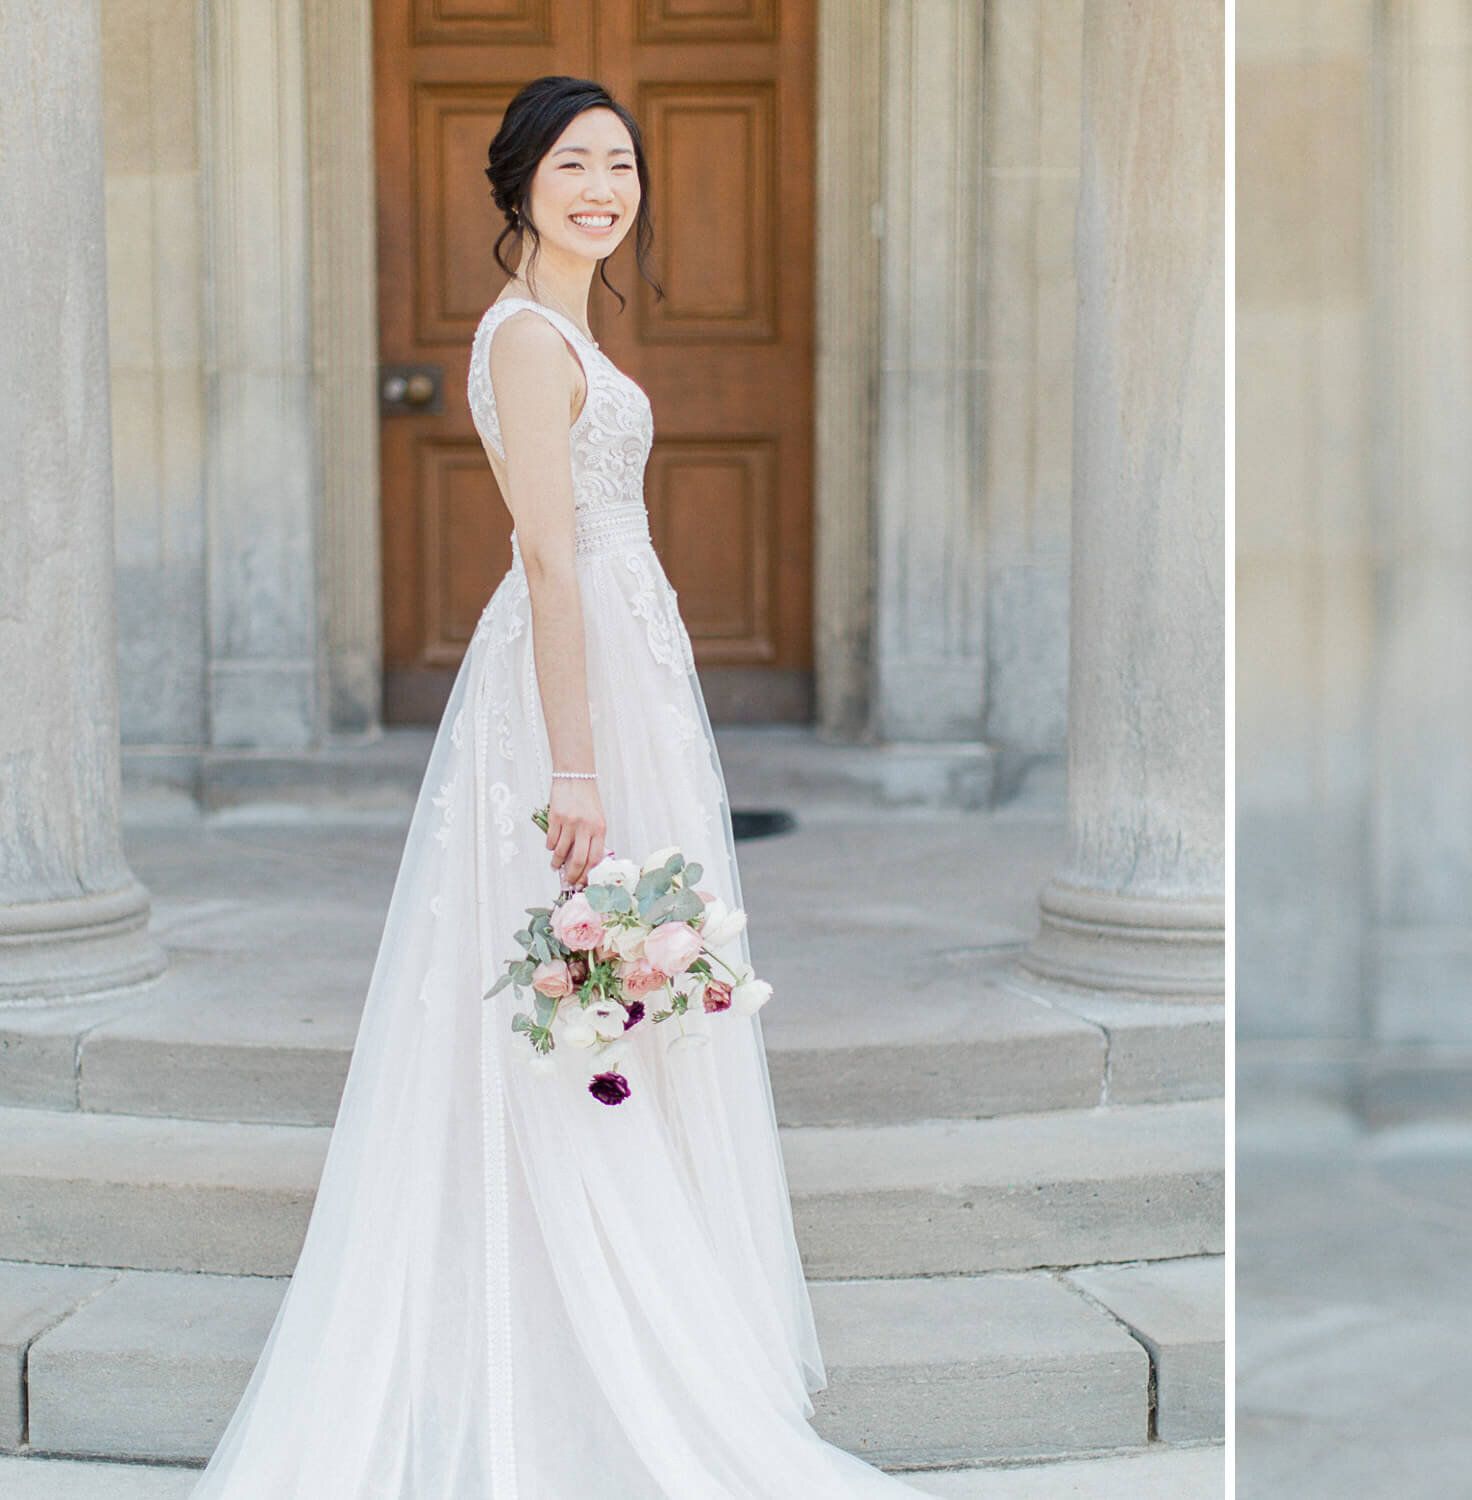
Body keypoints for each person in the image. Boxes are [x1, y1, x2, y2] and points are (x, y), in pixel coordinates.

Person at [191, 76, 929, 1497]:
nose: (606, 188)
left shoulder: (574, 327)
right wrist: (576, 763)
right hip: (563, 695)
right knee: (567, 987)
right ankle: (571, 1326)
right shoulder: (527, 339)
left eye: (624, 166)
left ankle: (630, 1297)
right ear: (520, 182)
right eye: (578, 164)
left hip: (620, 671)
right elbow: (546, 554)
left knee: (624, 1003)